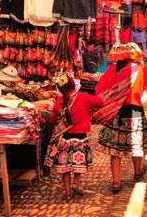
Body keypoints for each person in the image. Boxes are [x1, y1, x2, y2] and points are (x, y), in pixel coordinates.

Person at [93, 42, 147, 193]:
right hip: (136, 111)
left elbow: (98, 89)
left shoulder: (112, 70)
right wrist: (145, 102)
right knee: (136, 145)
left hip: (116, 113)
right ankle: (137, 172)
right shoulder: (141, 71)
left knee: (115, 150)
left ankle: (116, 182)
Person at [45, 71, 104, 203]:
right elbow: (100, 102)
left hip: (65, 139)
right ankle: (75, 183)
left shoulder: (58, 103)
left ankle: (67, 193)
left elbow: (52, 120)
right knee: (78, 163)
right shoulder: (84, 97)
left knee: (65, 168)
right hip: (80, 139)